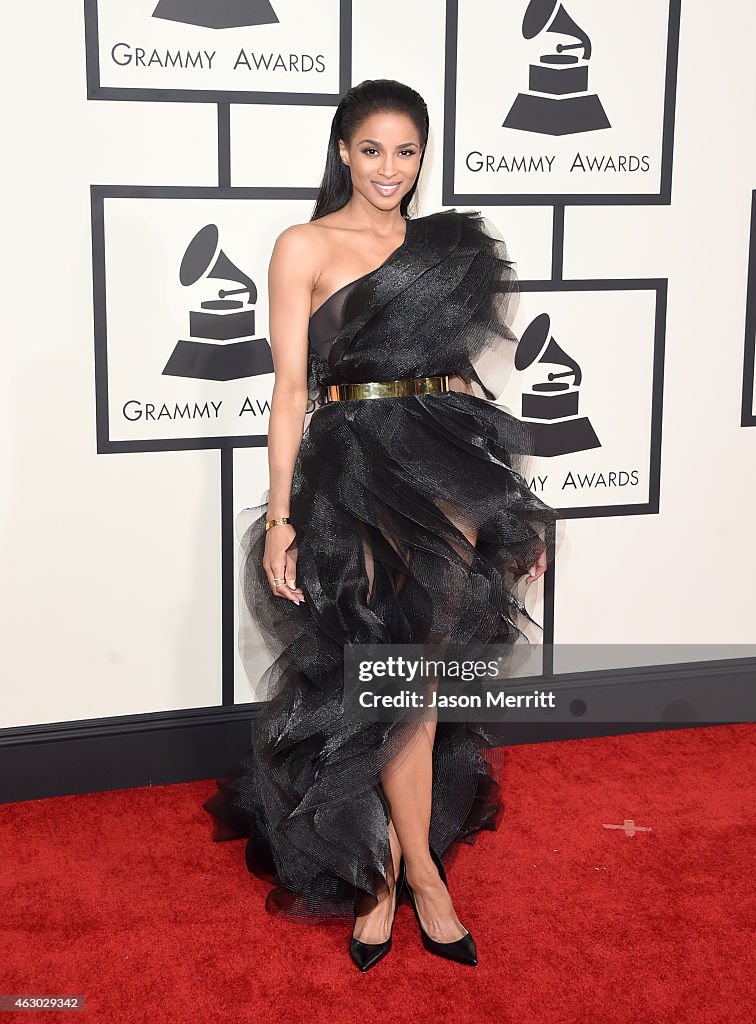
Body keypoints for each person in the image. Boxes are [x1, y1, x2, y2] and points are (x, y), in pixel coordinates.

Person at [203, 78, 561, 972]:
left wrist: (510, 508)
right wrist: (281, 515)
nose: (389, 170)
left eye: (406, 151)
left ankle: (404, 871)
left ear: (422, 156)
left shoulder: (447, 251)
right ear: (342, 152)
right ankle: (396, 878)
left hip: (442, 465)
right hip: (356, 467)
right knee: (386, 674)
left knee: (422, 680)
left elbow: (469, 386)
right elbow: (290, 392)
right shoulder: (305, 244)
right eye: (371, 150)